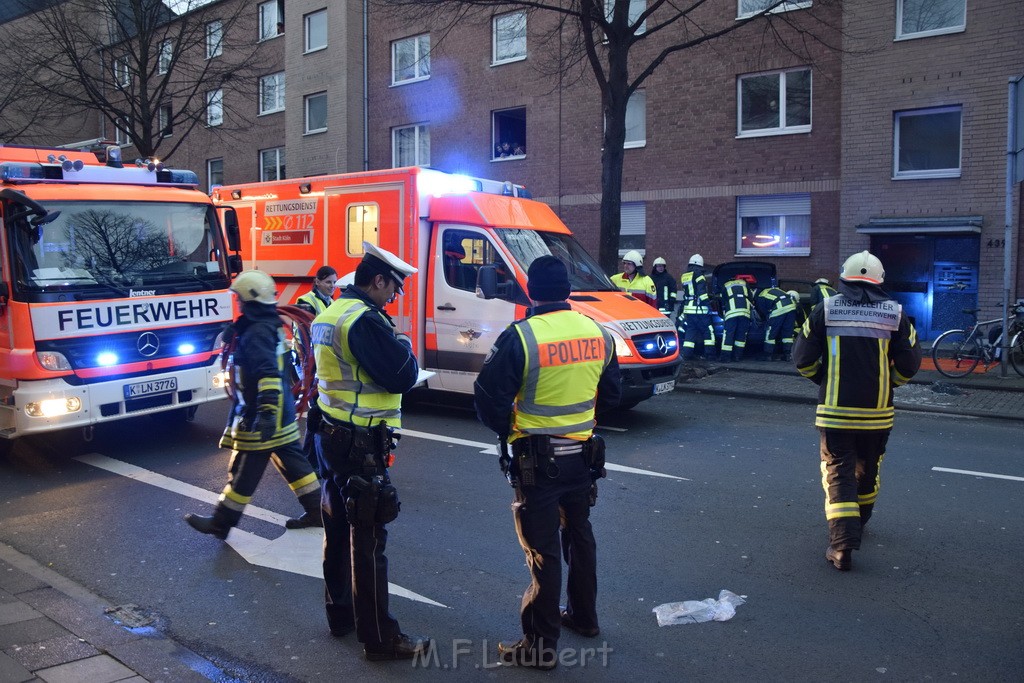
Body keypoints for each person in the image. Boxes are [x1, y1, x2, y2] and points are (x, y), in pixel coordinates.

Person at [474, 256, 621, 670]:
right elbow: (610, 395)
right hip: (583, 458)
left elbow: (488, 399)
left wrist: (510, 429)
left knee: (543, 551)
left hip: (538, 461)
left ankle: (540, 647)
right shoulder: (598, 332)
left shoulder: (522, 336)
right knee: (580, 535)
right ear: (567, 291)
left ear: (531, 292)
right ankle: (584, 617)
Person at [309, 242, 431, 661]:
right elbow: (403, 375)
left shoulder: (329, 314)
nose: (395, 298)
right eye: (394, 289)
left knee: (337, 529)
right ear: (377, 281)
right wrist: (403, 345)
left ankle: (340, 616)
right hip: (361, 442)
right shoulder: (365, 321)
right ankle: (380, 638)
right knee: (369, 538)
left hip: (330, 434)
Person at [792, 251, 922, 571]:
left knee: (839, 474)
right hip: (878, 415)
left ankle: (842, 546)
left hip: (836, 412)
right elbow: (911, 364)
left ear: (844, 278)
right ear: (879, 282)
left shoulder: (826, 309)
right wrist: (889, 385)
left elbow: (802, 359)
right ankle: (859, 523)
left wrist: (824, 379)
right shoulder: (896, 314)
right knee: (867, 470)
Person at [184, 271, 323, 539]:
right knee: (295, 464)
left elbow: (268, 374)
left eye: (239, 299)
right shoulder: (264, 324)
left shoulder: (258, 331)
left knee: (244, 469)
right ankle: (318, 511)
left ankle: (221, 522)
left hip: (262, 414)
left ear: (250, 300)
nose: (237, 303)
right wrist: (236, 330)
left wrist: (266, 414)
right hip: (277, 413)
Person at [678, 254, 716, 360]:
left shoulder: (685, 276)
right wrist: (708, 306)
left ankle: (687, 354)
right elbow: (702, 293)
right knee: (708, 331)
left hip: (689, 310)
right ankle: (710, 355)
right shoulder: (699, 275)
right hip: (700, 310)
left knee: (690, 332)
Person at [755, 285, 796, 361]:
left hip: (779, 307)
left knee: (770, 332)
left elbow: (763, 312)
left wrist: (767, 321)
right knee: (787, 333)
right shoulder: (774, 290)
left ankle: (767, 355)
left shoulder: (760, 296)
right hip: (792, 306)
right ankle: (787, 355)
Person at [719, 274, 754, 362]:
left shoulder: (726, 285)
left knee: (729, 334)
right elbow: (751, 297)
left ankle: (726, 357)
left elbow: (722, 300)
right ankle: (737, 356)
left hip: (732, 312)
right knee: (741, 335)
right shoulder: (744, 283)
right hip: (745, 312)